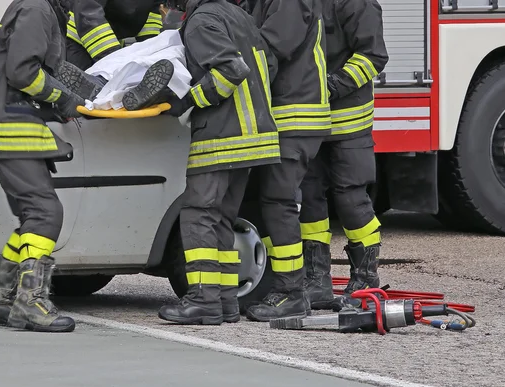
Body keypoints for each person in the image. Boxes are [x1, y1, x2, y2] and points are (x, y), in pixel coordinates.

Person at [125, 0, 280, 325]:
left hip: (223, 135)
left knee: (197, 215)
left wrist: (188, 100)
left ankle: (204, 300)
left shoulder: (200, 21)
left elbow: (230, 72)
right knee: (222, 218)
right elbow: (271, 64)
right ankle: (224, 301)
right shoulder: (239, 15)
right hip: (255, 135)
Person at [0, 0, 86, 333]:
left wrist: (61, 101)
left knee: (32, 217)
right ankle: (28, 303)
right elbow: (22, 72)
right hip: (10, 125)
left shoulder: (37, 7)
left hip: (8, 123)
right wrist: (63, 98)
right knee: (46, 212)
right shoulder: (37, 9)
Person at [241, 0, 332, 322]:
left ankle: (292, 292)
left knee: (279, 202)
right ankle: (288, 286)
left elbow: (269, 49)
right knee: (271, 201)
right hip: (287, 115)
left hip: (295, 115)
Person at [299, 0, 389, 311]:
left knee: (351, 197)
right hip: (309, 119)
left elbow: (372, 55)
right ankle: (316, 279)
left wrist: (332, 86)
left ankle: (365, 278)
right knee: (308, 197)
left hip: (348, 119)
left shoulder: (357, 3)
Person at [66, 0, 166, 71]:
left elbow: (150, 15)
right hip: (79, 40)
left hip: (112, 42)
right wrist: (114, 58)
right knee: (86, 93)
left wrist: (152, 53)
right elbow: (89, 13)